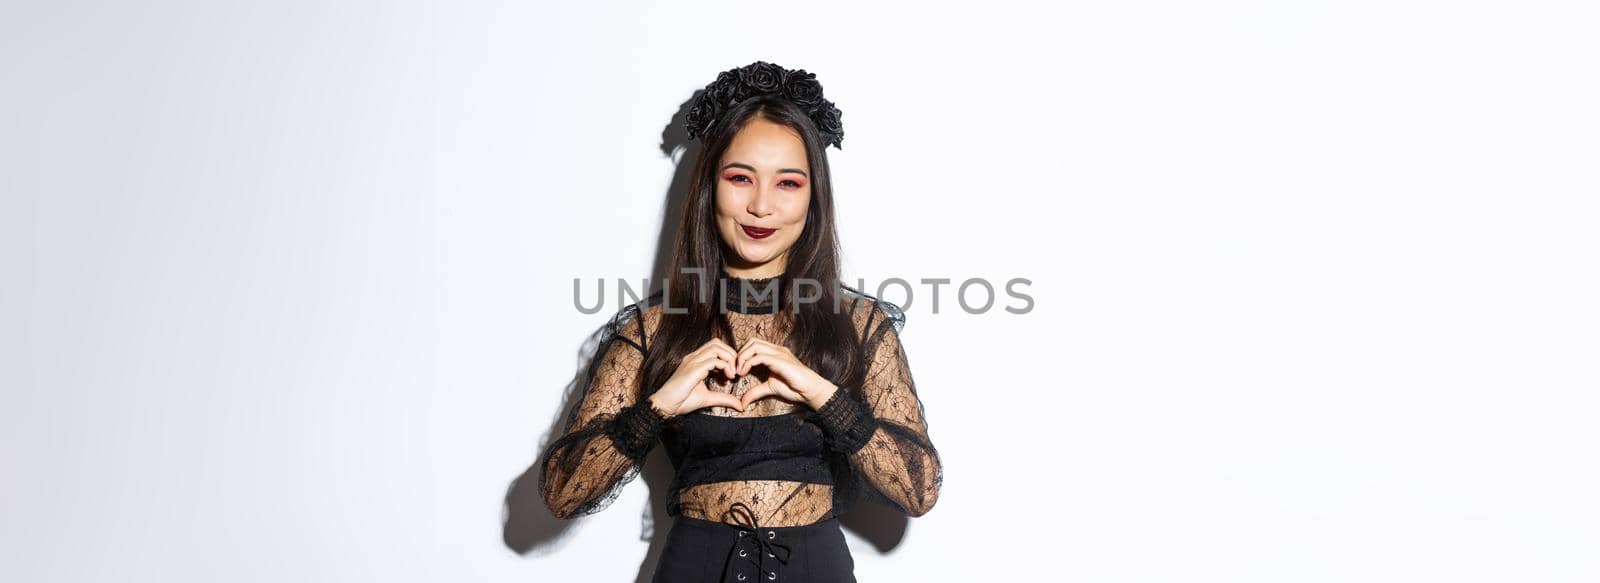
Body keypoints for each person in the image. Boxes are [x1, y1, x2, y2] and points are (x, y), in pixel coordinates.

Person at [538, 61, 942, 583]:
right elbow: (563, 492)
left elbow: (919, 489)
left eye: (788, 183)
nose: (761, 206)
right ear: (711, 187)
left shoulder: (858, 324)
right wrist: (658, 407)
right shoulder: (655, 327)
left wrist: (822, 394)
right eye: (740, 178)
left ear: (813, 198)